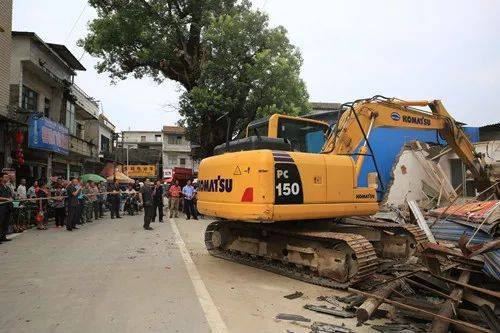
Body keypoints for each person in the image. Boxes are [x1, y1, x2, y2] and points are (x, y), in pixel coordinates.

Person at [0, 172, 14, 243]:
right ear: (1, 178)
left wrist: (11, 198)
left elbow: (10, 196)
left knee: (6, 222)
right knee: (1, 222)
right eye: (5, 177)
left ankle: (3, 236)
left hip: (8, 207)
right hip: (1, 207)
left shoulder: (7, 187)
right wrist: (6, 199)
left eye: (7, 177)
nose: (7, 178)